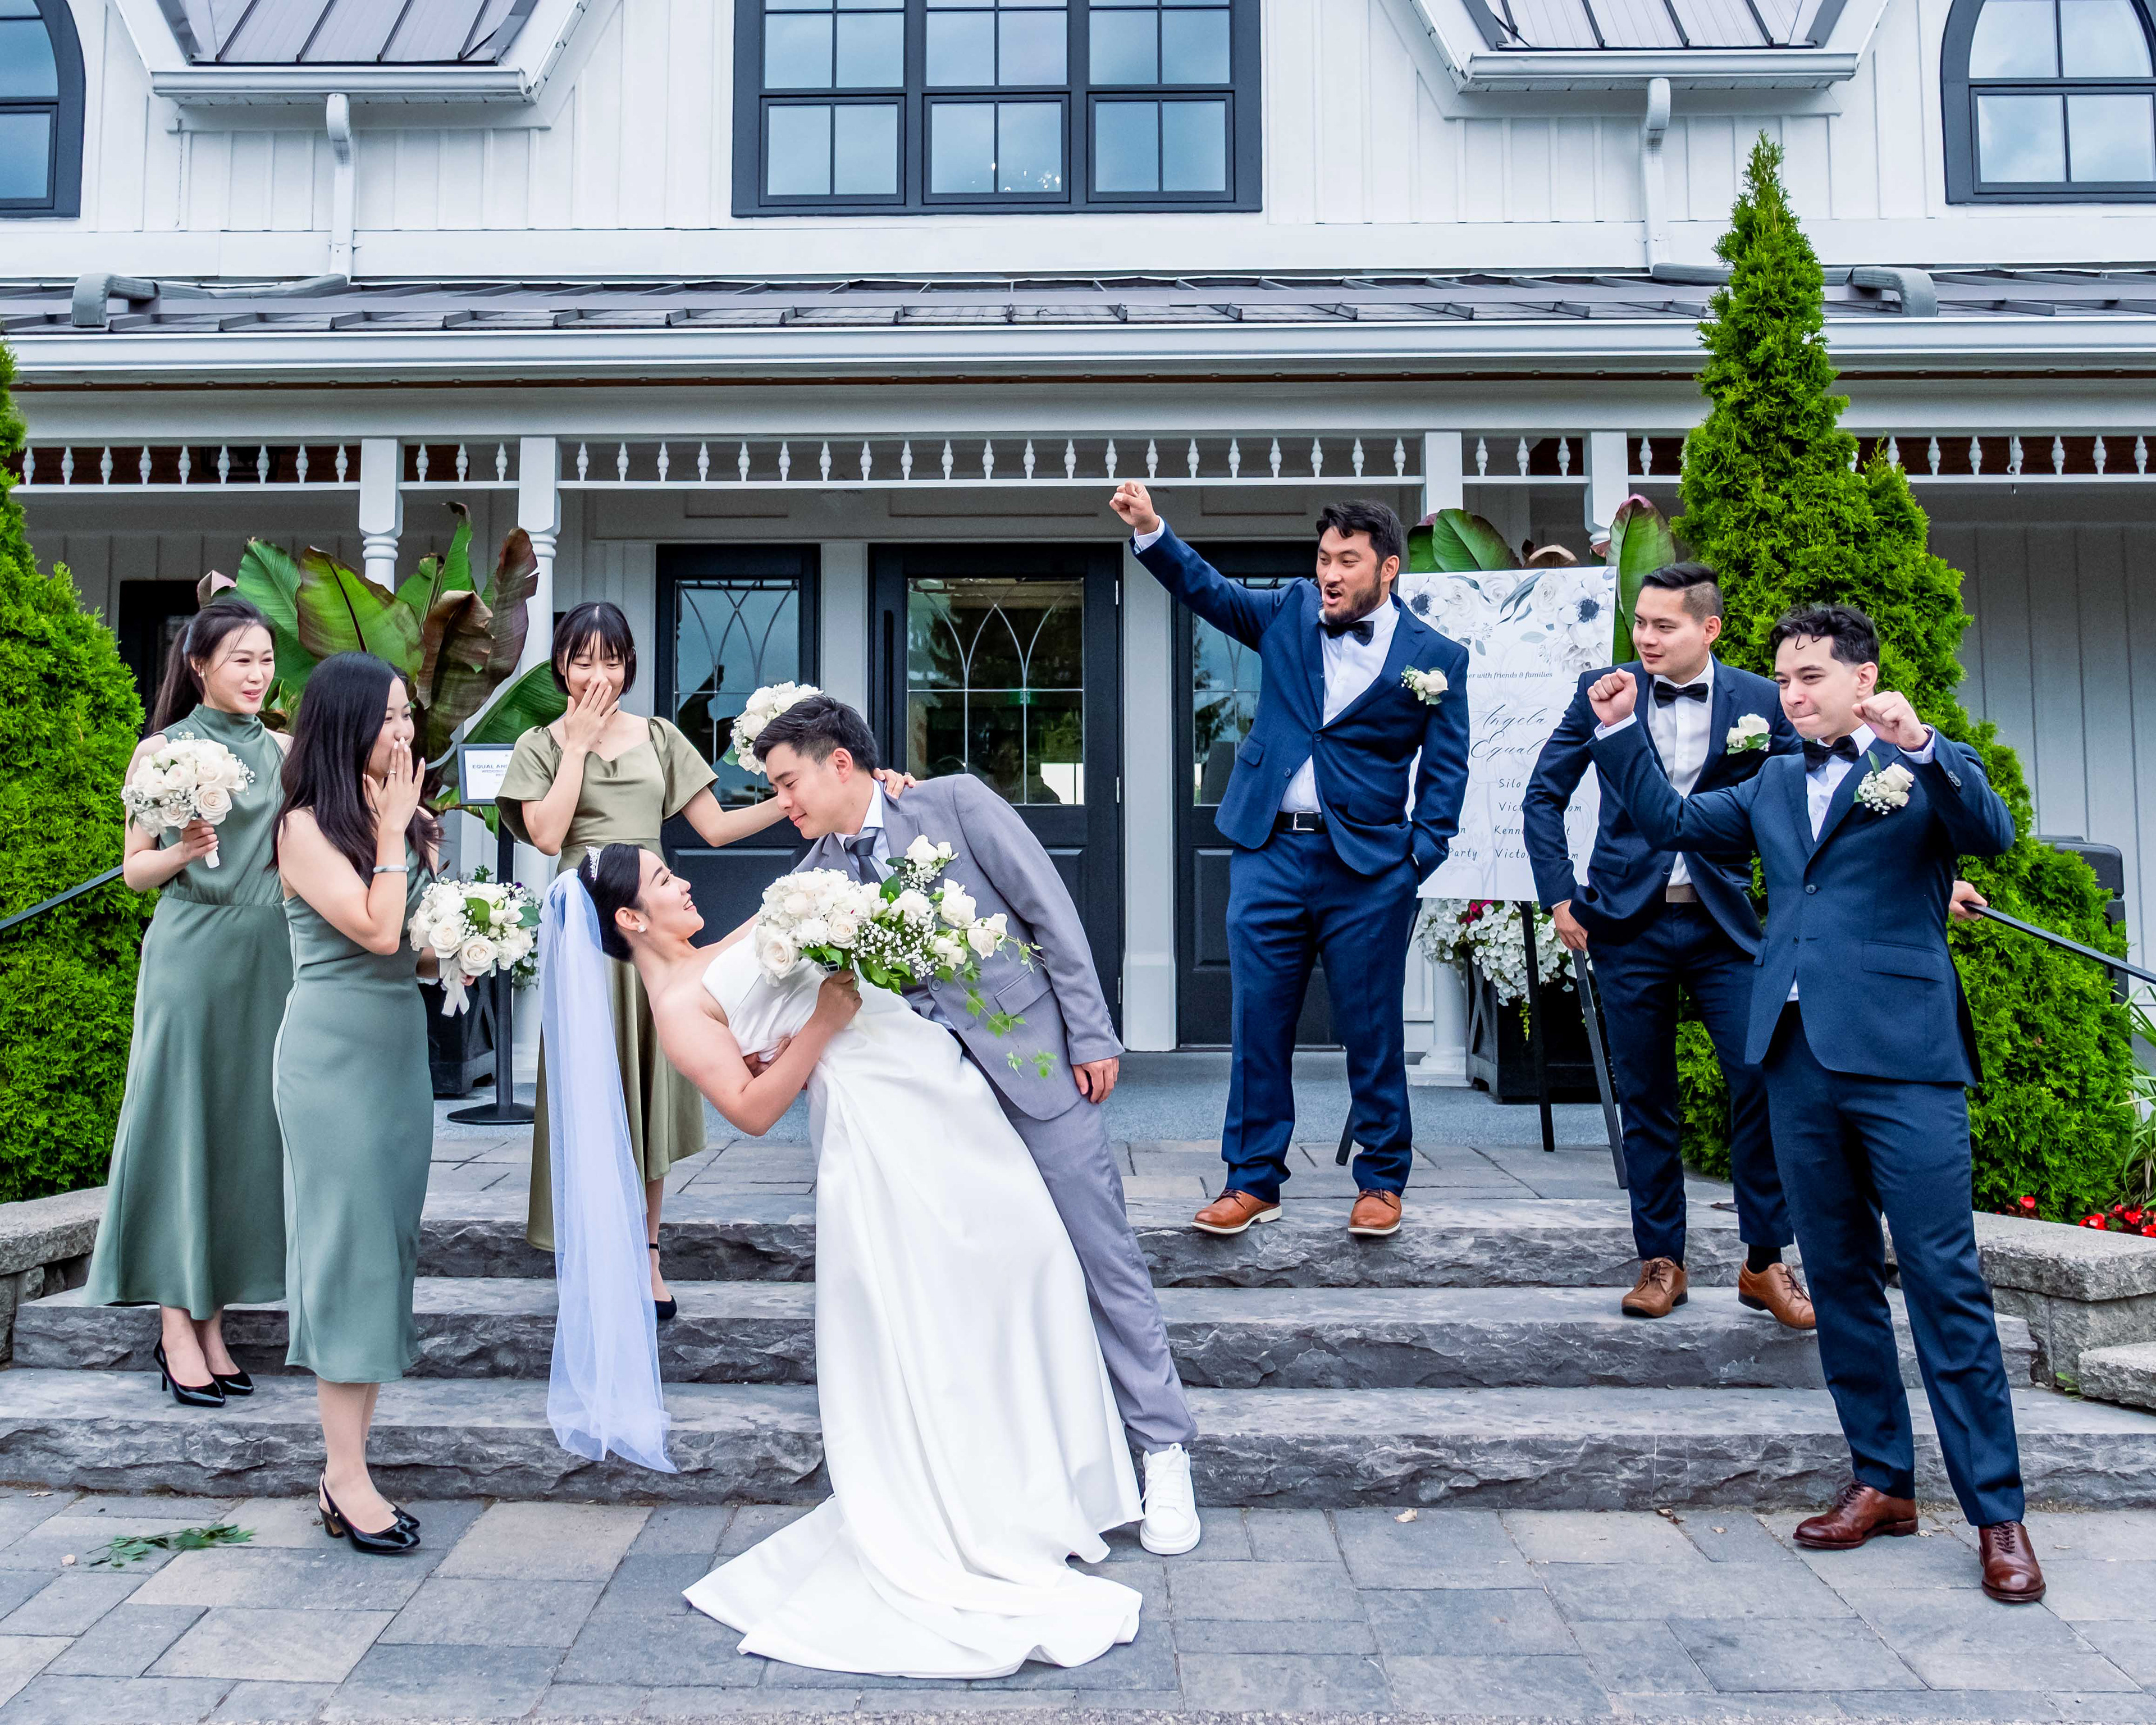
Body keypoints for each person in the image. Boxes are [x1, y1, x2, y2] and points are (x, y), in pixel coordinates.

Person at [567, 842, 1148, 1679]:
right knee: (936, 1304)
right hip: (879, 1126)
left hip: (930, 1079)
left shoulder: (713, 953)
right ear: (630, 918)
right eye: (663, 880)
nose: (683, 881)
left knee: (1033, 1260)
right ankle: (972, 1503)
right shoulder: (678, 1009)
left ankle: (1045, 1487)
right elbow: (751, 1110)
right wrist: (819, 1029)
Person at [1583, 602, 2043, 1605]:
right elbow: (1671, 824)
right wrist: (1617, 733)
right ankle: (1882, 1481)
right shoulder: (1771, 782)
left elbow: (1993, 832)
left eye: (1811, 678)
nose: (1791, 696)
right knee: (1836, 1276)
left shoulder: (1918, 766)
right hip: (1794, 1059)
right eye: (1784, 679)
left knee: (1943, 1279)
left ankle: (1997, 1516)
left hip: (1907, 1059)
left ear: (1863, 678)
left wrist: (1920, 746)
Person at [753, 693, 1202, 1557]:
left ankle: (1164, 1450)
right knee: (987, 1278)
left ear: (839, 762)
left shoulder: (952, 804)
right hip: (934, 1106)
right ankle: (1026, 1473)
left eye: (786, 782)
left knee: (1102, 1256)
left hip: (1034, 1065)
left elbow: (1048, 911)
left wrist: (1091, 1033)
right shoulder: (817, 877)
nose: (782, 803)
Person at [496, 603, 913, 1315]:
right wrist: (577, 747)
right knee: (589, 1089)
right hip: (589, 931)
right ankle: (589, 1255)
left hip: (656, 925)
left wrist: (811, 797)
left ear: (629, 664)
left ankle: (649, 1257)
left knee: (652, 1091)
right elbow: (546, 835)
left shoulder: (660, 736)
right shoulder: (539, 744)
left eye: (612, 660)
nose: (598, 676)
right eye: (583, 660)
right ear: (560, 665)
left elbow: (716, 828)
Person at [1111, 481, 1470, 1241]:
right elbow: (1209, 592)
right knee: (1259, 1023)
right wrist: (1152, 531)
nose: (1330, 574)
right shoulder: (1289, 610)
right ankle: (1251, 1180)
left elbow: (1447, 771)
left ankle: (1381, 1180)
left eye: (1347, 561)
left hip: (1369, 868)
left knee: (1373, 1028)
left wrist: (1417, 858)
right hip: (1268, 850)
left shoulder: (1437, 660)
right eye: (1323, 558)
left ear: (1389, 568)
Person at [1522, 562, 1812, 1327]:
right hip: (1628, 921)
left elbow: (1803, 802)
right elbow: (1543, 795)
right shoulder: (1604, 690)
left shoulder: (1760, 699)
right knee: (1646, 1097)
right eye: (1640, 623)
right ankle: (1661, 1261)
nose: (1646, 638)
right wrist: (1560, 896)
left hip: (1725, 925)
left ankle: (1764, 1262)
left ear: (1708, 629)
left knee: (1760, 1081)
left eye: (1664, 625)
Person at [87, 601, 292, 1406]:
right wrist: (183, 851)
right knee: (181, 1127)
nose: (258, 673)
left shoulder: (285, 750)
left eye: (266, 658)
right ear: (199, 664)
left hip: (269, 956)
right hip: (191, 951)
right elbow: (134, 872)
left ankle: (212, 1323)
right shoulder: (162, 750)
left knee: (240, 1134)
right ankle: (177, 1326)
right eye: (242, 659)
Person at [273, 652, 440, 1555]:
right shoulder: (304, 827)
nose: (405, 732)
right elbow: (375, 928)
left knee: (384, 1252)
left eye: (409, 715)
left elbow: (410, 945)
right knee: (346, 1254)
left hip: (397, 1051)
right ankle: (344, 1476)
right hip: (332, 1059)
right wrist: (393, 837)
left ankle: (351, 1467)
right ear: (345, 726)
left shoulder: (403, 822)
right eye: (390, 717)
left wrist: (469, 938)